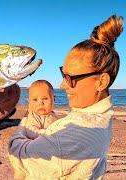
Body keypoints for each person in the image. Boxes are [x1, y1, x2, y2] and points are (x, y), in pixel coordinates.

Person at [8, 15, 123, 179]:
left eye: (71, 78)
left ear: (101, 81)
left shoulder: (72, 137)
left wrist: (23, 127)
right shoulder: (101, 118)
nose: (62, 85)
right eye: (63, 74)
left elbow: (18, 154)